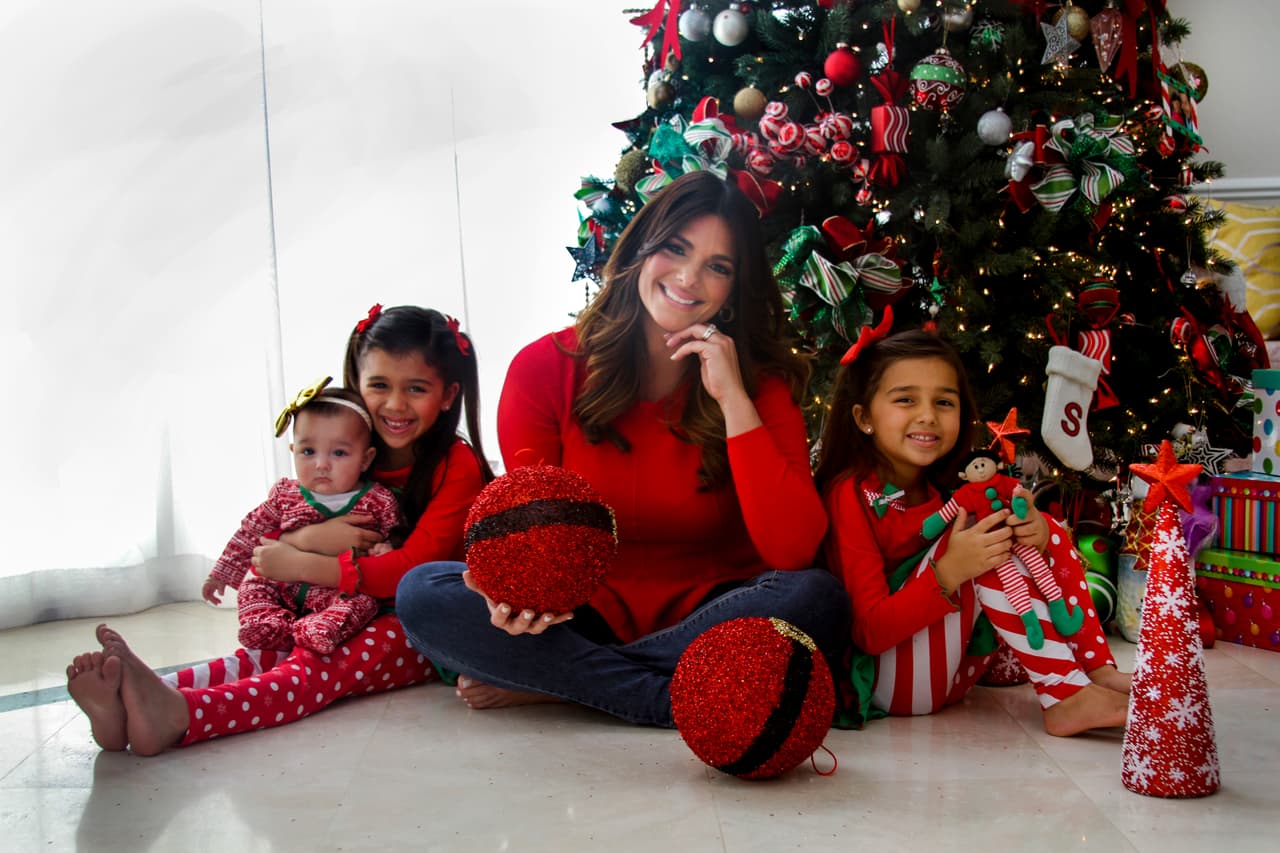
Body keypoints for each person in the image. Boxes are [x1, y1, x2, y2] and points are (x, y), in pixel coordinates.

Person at [396, 170, 850, 728]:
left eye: (718, 267)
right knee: (423, 593)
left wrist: (732, 396)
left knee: (816, 599)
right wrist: (505, 592)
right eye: (676, 249)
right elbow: (532, 534)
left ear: (734, 290)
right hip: (577, 613)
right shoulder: (545, 369)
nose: (688, 278)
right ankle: (683, 698)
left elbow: (793, 550)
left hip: (717, 611)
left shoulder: (758, 384)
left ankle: (566, 683)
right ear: (640, 247)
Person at [65, 305, 493, 754]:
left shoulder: (455, 466)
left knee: (316, 666)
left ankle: (181, 714)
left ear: (448, 396)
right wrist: (307, 541)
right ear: (356, 381)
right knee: (265, 656)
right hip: (337, 611)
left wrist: (302, 560)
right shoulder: (346, 447)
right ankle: (133, 698)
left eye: (417, 389)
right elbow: (278, 529)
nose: (395, 404)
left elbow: (409, 572)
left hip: (417, 625)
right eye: (379, 385)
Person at [812, 318, 1131, 737]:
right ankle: (1065, 697)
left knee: (1039, 524)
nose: (927, 416)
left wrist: (1033, 530)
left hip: (956, 675)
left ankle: (1096, 669)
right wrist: (949, 570)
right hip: (889, 685)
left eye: (944, 403)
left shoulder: (948, 488)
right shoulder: (850, 494)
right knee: (985, 528)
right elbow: (868, 632)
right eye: (905, 400)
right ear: (864, 417)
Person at [207, 381, 399, 655]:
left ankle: (321, 628)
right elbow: (250, 532)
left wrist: (386, 548)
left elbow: (396, 538)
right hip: (283, 583)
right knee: (254, 584)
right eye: (308, 452)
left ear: (365, 460)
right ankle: (269, 624)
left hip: (335, 587)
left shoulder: (377, 502)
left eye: (339, 453)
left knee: (364, 602)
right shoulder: (285, 496)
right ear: (293, 451)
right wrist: (222, 573)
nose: (321, 464)